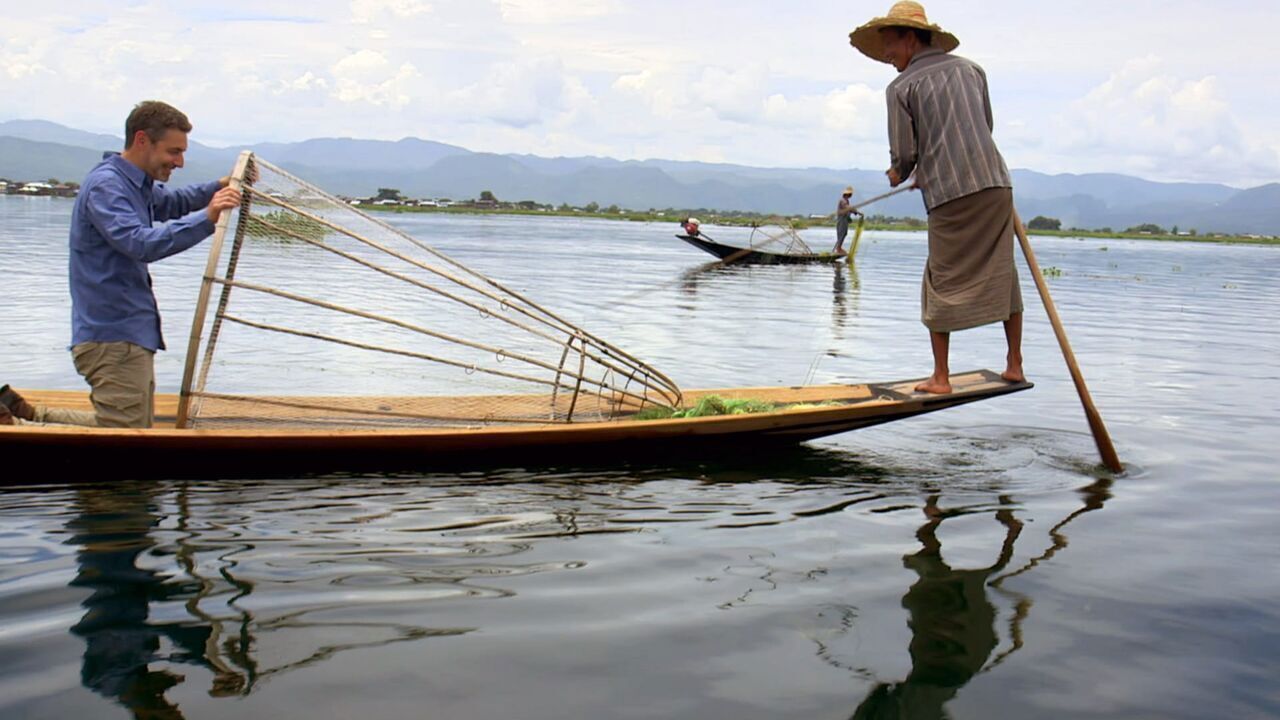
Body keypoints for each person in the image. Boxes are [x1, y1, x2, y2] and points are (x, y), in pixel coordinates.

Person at [850, 2, 1024, 394]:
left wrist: (900, 172)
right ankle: (1014, 363)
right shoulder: (972, 70)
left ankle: (941, 377)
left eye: (890, 47)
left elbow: (906, 154)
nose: (887, 56)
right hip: (995, 184)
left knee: (939, 280)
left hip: (949, 194)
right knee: (1003, 273)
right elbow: (984, 126)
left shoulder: (901, 87)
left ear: (911, 38)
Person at [63, 100, 242, 428]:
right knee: (124, 440)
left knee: (129, 428)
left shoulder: (133, 184)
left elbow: (173, 202)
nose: (180, 162)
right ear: (142, 140)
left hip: (127, 335)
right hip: (112, 337)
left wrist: (220, 186)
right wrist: (209, 218)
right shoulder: (107, 186)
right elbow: (139, 243)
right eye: (174, 152)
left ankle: (25, 416)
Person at [833, 185, 857, 255]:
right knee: (841, 233)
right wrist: (855, 210)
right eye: (850, 194)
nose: (851, 195)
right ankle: (839, 249)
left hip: (845, 219)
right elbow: (847, 207)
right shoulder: (842, 200)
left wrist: (853, 213)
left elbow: (848, 210)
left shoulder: (847, 201)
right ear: (848, 194)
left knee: (844, 233)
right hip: (841, 219)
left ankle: (839, 248)